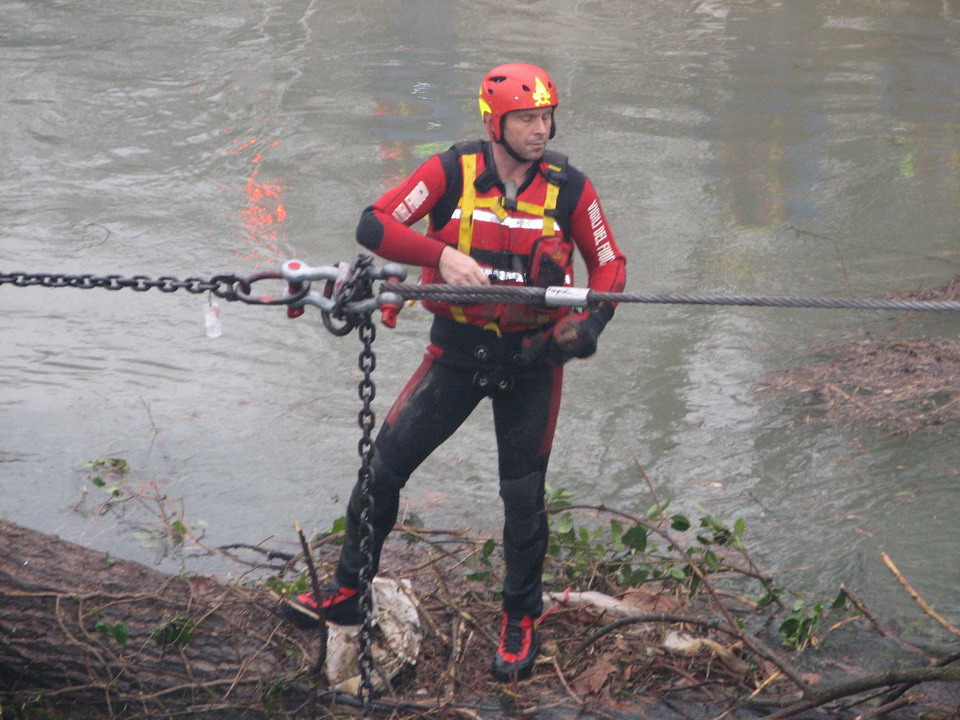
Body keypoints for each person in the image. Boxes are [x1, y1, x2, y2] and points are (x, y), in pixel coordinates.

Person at [284, 62, 627, 682]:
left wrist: (591, 324)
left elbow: (610, 266)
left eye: (547, 117)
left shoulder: (572, 188)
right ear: (495, 123)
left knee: (522, 496)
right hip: (457, 353)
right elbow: (375, 224)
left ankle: (520, 616)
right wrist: (442, 254)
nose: (540, 129)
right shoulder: (449, 171)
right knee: (383, 469)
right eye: (526, 118)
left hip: (533, 362)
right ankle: (349, 590)